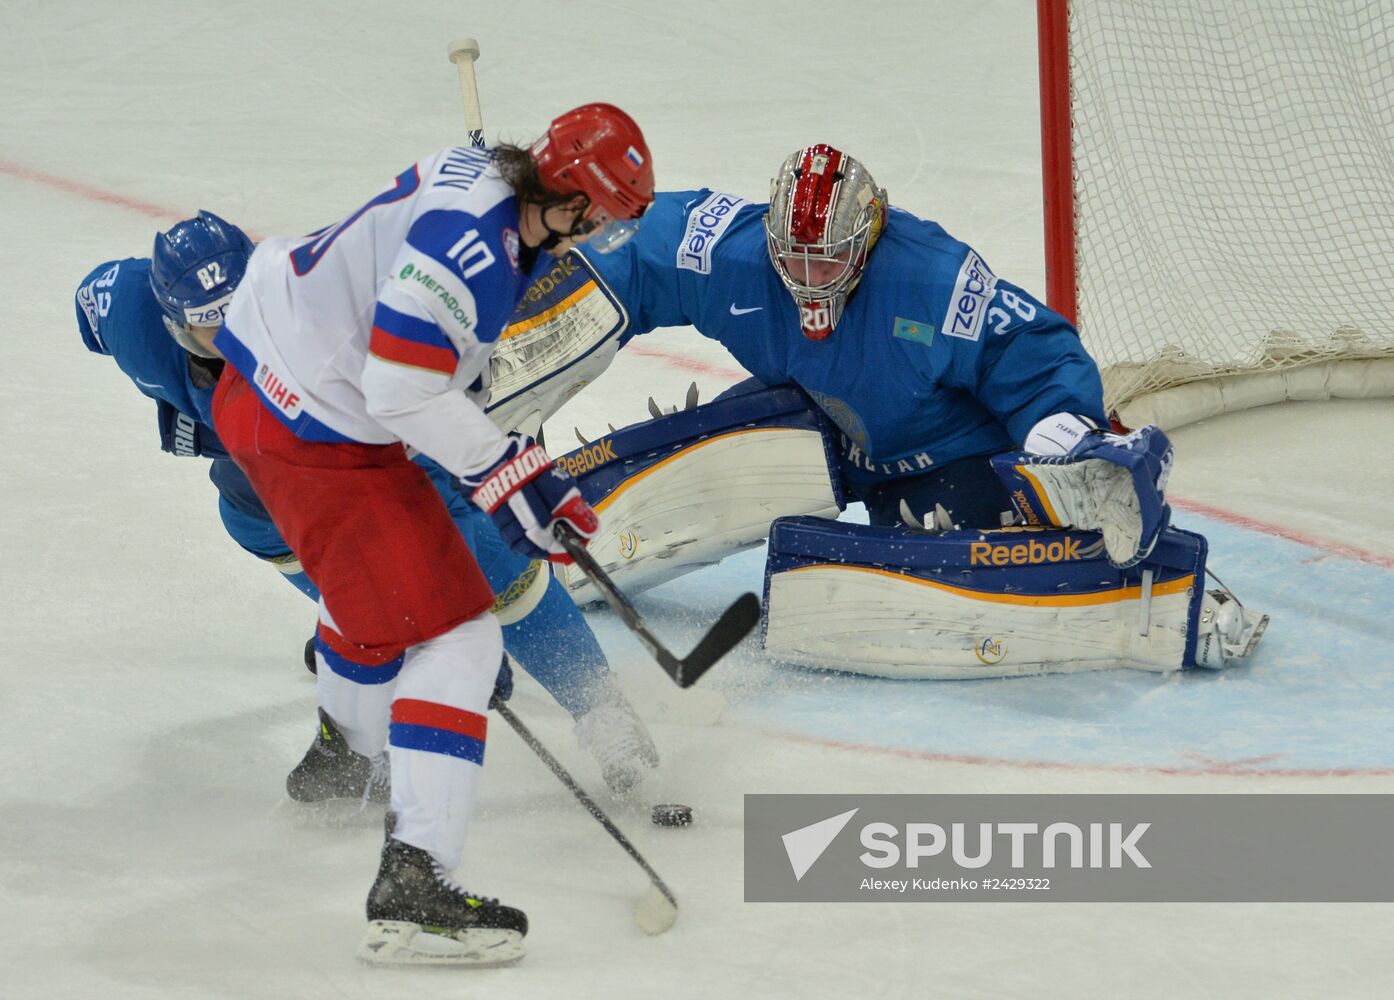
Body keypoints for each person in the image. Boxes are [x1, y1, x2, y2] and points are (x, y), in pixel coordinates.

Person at [549, 144, 1266, 676]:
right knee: (735, 445)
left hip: (942, 456)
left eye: (826, 262)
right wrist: (548, 293)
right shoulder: (738, 257)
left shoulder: (931, 278)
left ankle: (1173, 592)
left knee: (945, 563)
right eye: (792, 261)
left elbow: (1032, 348)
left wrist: (1061, 432)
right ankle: (536, 555)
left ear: (867, 238)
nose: (807, 281)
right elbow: (642, 246)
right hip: (815, 427)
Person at [75, 213, 660, 800]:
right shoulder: (128, 308)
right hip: (266, 492)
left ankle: (600, 707)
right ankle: (372, 707)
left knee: (487, 561)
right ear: (173, 325)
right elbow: (90, 305)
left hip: (381, 456)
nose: (235, 339)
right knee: (325, 567)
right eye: (210, 328)